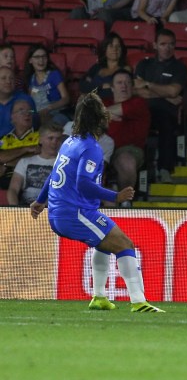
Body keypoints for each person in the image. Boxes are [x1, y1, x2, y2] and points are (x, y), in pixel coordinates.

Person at [30, 92, 164, 313]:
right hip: (76, 213)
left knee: (103, 245)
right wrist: (115, 197)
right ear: (101, 118)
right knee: (125, 245)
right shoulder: (91, 148)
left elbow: (55, 173)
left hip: (60, 212)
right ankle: (139, 301)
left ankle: (99, 297)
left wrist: (41, 200)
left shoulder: (69, 142)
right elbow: (83, 183)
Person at [133, 29, 187, 183]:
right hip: (142, 109)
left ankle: (164, 169)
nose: (167, 48)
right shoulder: (144, 64)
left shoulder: (179, 67)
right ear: (155, 45)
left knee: (166, 123)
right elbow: (137, 90)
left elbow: (174, 90)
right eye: (163, 44)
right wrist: (167, 95)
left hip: (165, 112)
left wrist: (148, 84)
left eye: (171, 44)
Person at [104, 70, 151, 200]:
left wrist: (102, 114)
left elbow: (94, 113)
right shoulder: (104, 103)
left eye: (127, 83)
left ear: (132, 87)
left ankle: (125, 202)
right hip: (103, 147)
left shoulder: (139, 103)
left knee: (126, 161)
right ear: (112, 88)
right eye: (119, 83)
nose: (124, 86)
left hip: (128, 149)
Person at [6, 122, 61, 206]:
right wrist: (15, 209)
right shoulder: (25, 162)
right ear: (40, 140)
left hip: (52, 210)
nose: (54, 142)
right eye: (50, 138)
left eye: (58, 139)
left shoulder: (64, 164)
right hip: (26, 208)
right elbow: (13, 189)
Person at [22, 44, 71, 127]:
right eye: (37, 57)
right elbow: (31, 101)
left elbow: (66, 99)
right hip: (38, 112)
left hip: (56, 112)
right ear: (30, 60)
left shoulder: (54, 74)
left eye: (44, 57)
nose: (41, 60)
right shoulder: (31, 78)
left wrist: (49, 108)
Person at [0, 99, 39, 190]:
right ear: (12, 117)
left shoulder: (40, 136)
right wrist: (25, 149)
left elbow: (36, 158)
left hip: (29, 179)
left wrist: (6, 164)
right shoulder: (3, 139)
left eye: (30, 111)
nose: (27, 114)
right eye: (22, 111)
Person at [80, 33, 133, 100]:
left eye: (118, 46)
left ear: (122, 50)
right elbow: (83, 86)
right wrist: (102, 86)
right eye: (111, 46)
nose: (115, 49)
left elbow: (116, 92)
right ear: (105, 49)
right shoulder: (96, 67)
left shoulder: (125, 69)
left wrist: (92, 89)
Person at [0, 67, 34, 149]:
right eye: (3, 78)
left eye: (11, 78)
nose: (8, 81)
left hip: (20, 144)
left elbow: (33, 125)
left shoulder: (25, 99)